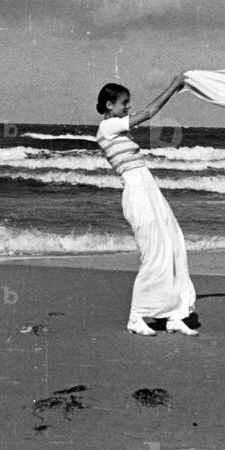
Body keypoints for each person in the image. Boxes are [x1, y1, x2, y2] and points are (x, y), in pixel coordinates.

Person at [95, 76, 197, 337]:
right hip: (137, 189)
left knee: (172, 243)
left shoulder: (116, 127)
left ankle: (174, 314)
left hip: (147, 187)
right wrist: (173, 86)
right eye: (124, 103)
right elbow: (149, 113)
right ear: (109, 105)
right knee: (153, 252)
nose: (128, 107)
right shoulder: (107, 128)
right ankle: (136, 316)